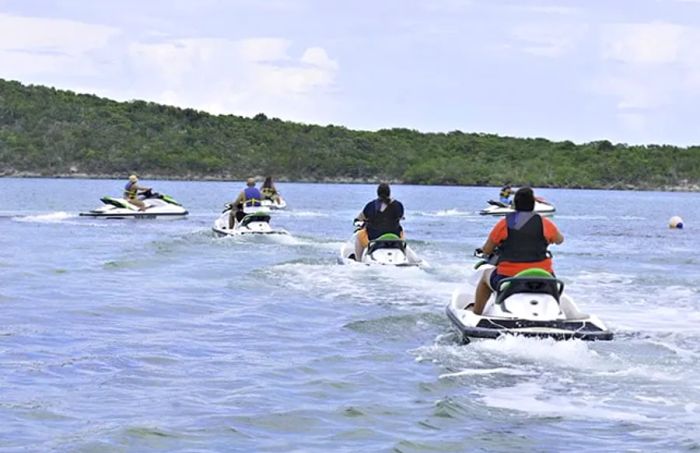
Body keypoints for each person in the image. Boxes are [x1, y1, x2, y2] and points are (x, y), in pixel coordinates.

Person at [472, 187, 564, 315]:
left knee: (485, 277)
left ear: (514, 204)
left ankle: (476, 313)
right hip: (543, 277)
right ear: (533, 204)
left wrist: (483, 251)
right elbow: (559, 240)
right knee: (552, 275)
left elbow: (487, 249)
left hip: (508, 277)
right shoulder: (545, 223)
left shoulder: (505, 224)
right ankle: (555, 313)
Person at [353, 183, 405, 261]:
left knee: (358, 235)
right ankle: (404, 253)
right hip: (394, 237)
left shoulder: (371, 205)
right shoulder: (398, 205)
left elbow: (360, 217)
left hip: (374, 238)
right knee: (402, 232)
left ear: (377, 193)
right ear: (389, 192)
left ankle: (358, 260)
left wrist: (357, 221)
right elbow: (401, 216)